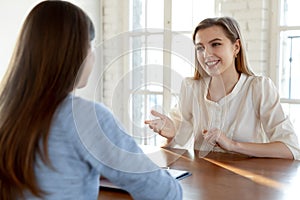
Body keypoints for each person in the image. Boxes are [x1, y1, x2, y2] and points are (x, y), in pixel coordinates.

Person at [0, 1, 182, 200]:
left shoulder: (7, 109)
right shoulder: (83, 117)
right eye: (90, 46)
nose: (93, 55)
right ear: (75, 52)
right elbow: (164, 193)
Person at [145, 16, 300, 160]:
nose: (206, 55)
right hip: (202, 182)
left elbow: (291, 148)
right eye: (200, 48)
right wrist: (171, 134)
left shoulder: (259, 88)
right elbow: (176, 145)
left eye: (216, 44)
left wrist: (233, 145)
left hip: (248, 183)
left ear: (236, 47)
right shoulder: (191, 87)